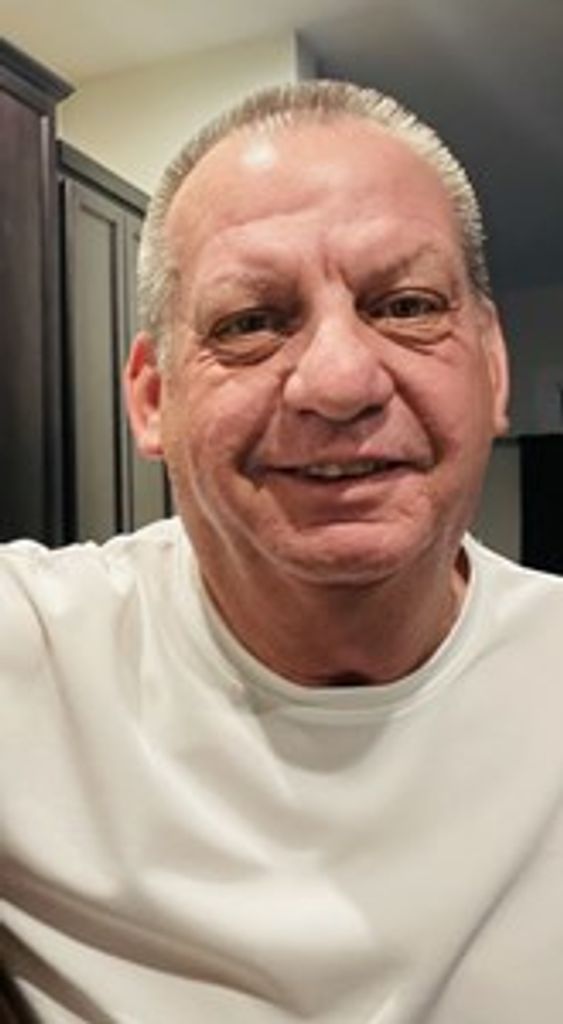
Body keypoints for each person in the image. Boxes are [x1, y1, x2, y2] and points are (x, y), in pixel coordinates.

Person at [1, 79, 562, 1024]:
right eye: (250, 322)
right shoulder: (33, 660)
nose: (339, 383)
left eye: (406, 304)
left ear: (493, 366)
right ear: (152, 399)